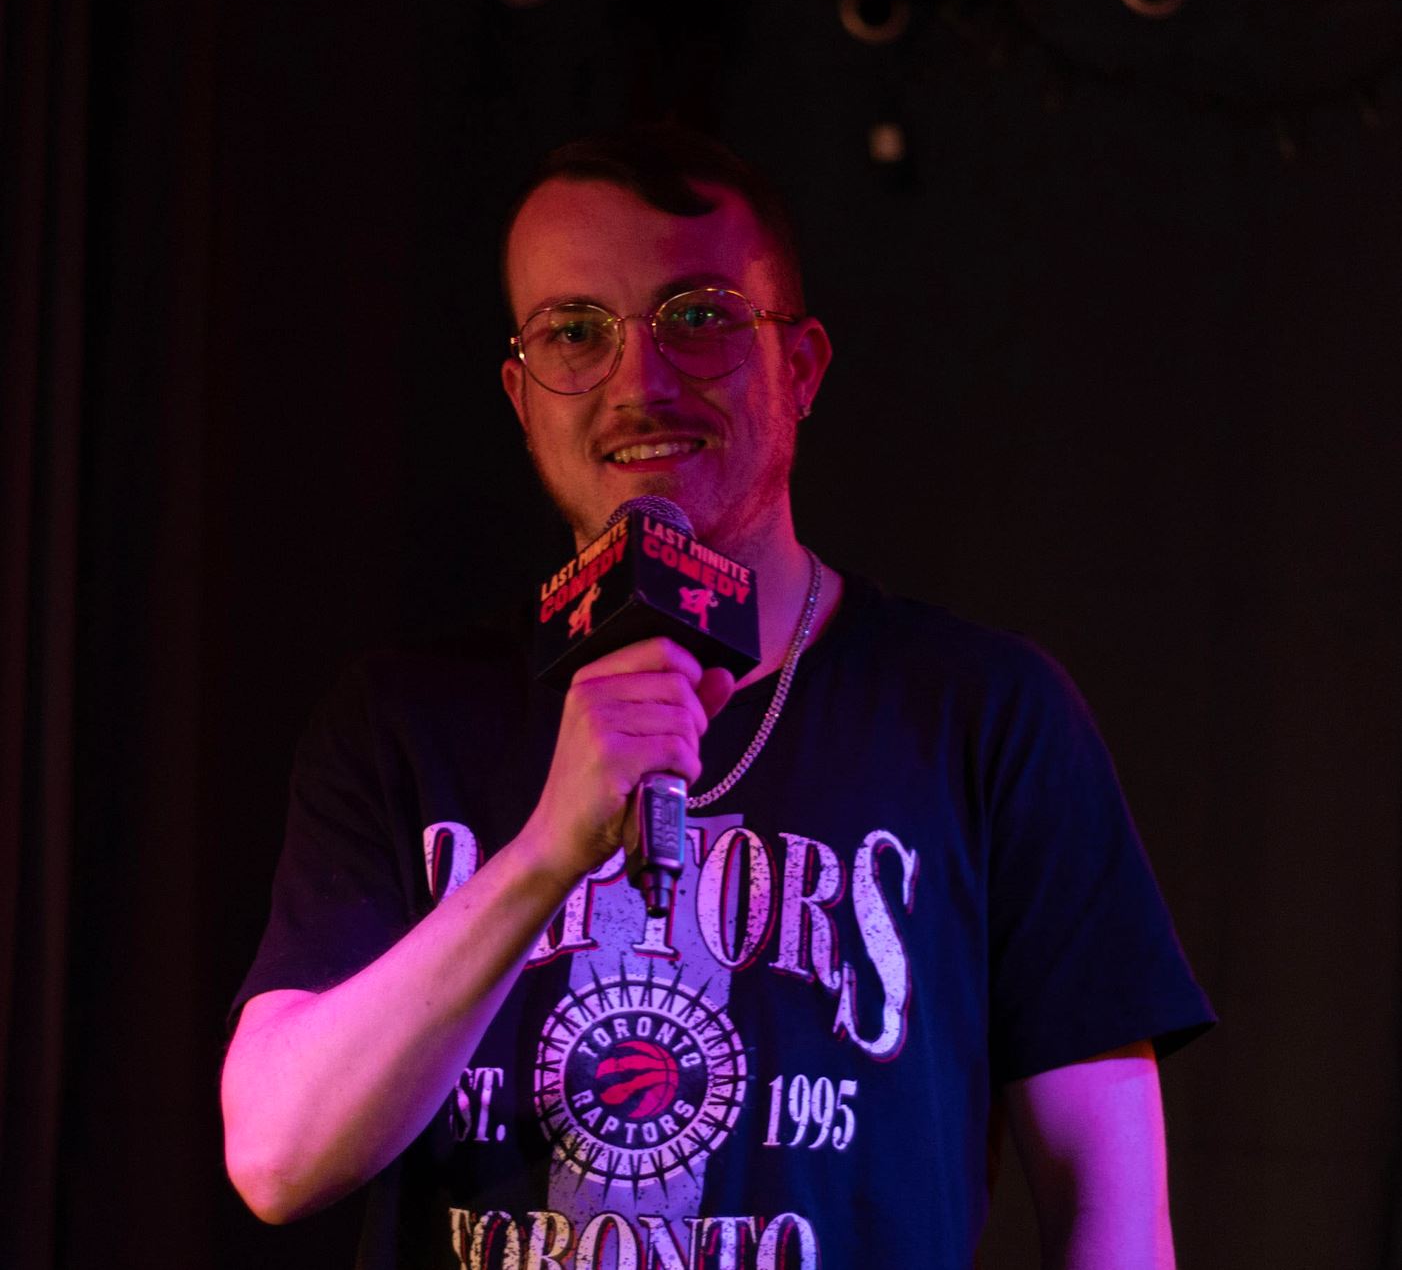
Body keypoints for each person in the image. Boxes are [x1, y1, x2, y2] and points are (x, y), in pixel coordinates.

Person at [222, 126, 1214, 1269]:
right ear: (519, 392)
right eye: (574, 333)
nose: (638, 382)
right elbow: (277, 1157)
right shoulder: (402, 720)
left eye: (697, 317)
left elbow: (1113, 1213)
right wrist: (547, 848)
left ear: (802, 367)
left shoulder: (984, 714)